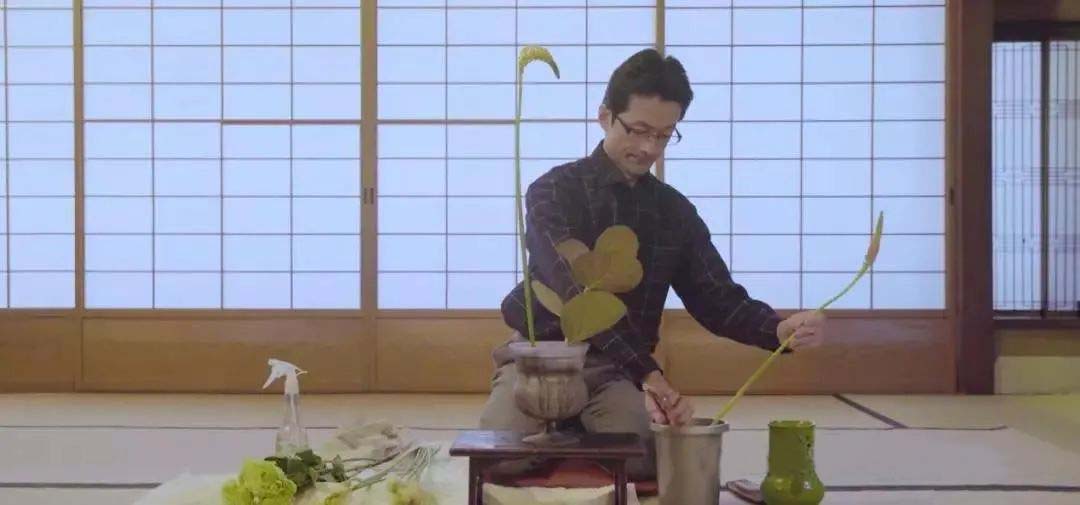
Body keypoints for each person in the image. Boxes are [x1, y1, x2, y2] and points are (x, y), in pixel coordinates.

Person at [478, 48, 826, 480]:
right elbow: (570, 287)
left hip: (615, 372)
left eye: (664, 136)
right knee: (499, 459)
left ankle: (575, 432)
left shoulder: (674, 213)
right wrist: (650, 373)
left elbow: (717, 297)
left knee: (647, 461)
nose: (648, 148)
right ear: (605, 116)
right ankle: (564, 429)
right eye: (638, 130)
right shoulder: (552, 191)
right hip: (541, 360)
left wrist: (777, 329)